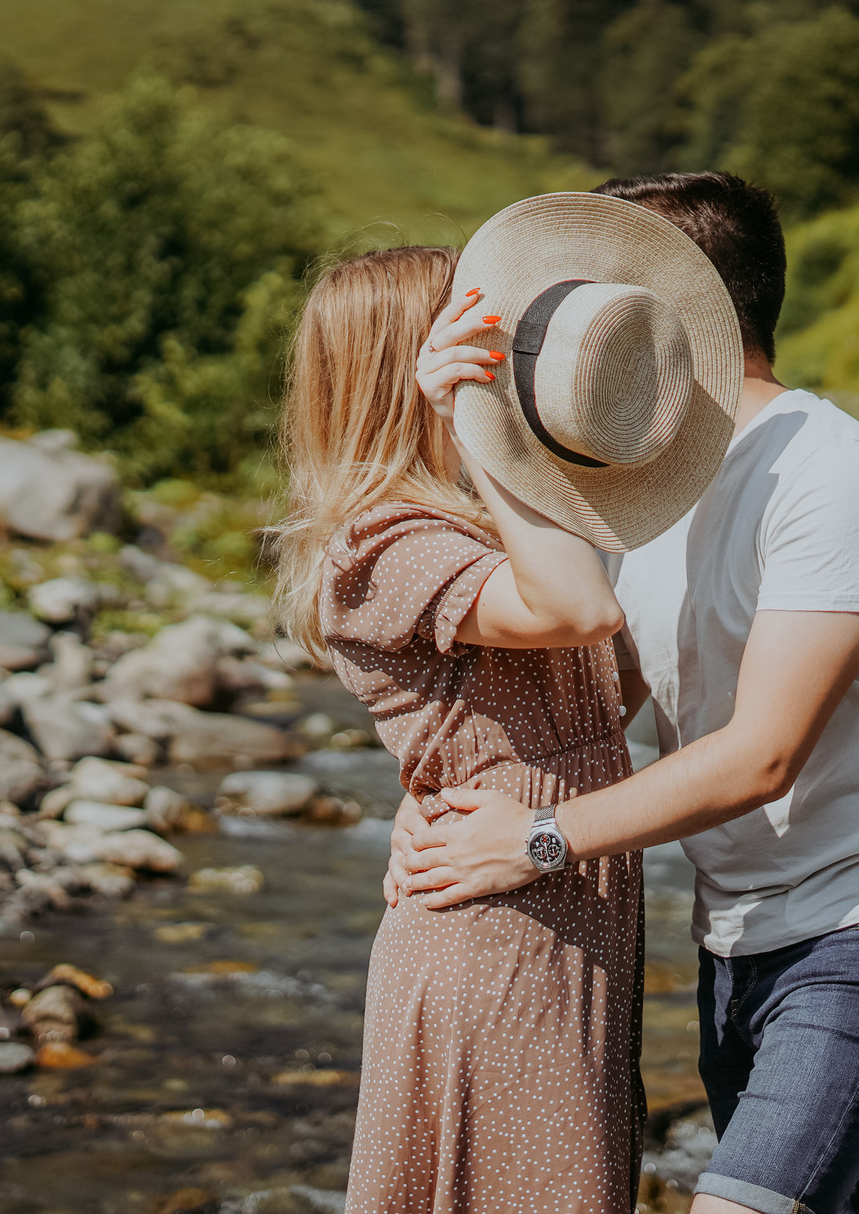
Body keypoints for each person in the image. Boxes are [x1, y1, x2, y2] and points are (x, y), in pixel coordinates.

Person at [395, 171, 859, 1214]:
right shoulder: (645, 491)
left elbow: (763, 755)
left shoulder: (833, 472)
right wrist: (447, 812)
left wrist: (535, 838)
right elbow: (596, 709)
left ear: (676, 306)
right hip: (733, 939)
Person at [272, 242, 682, 1214]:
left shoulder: (465, 528)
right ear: (411, 369)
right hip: (497, 931)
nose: (509, 359)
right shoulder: (385, 544)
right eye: (480, 342)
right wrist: (484, 425)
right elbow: (580, 612)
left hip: (544, 896)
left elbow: (604, 691)